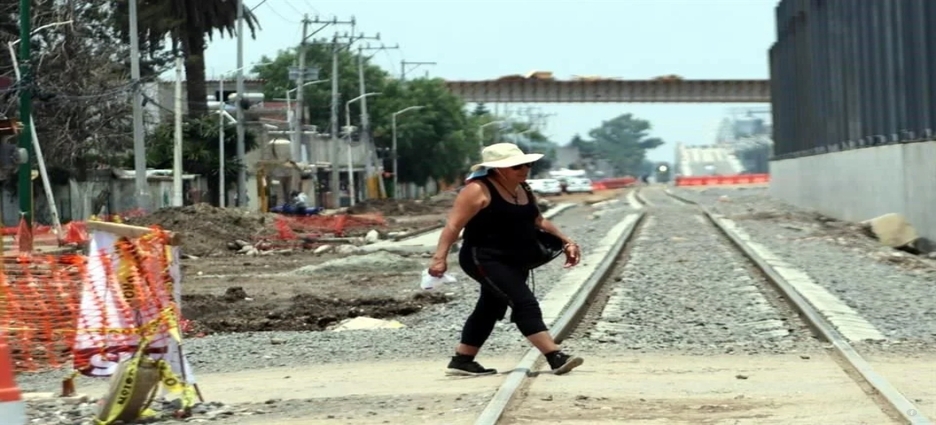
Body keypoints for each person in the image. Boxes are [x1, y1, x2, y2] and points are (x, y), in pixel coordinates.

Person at [429, 143, 584, 377]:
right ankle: (555, 356)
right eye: (516, 166)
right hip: (483, 257)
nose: (525, 169)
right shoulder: (477, 190)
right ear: (498, 169)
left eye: (528, 164)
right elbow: (453, 225)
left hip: (516, 257)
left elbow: (538, 220)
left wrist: (566, 240)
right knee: (524, 302)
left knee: (490, 307)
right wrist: (439, 258)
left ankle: (463, 359)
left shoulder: (523, 188)